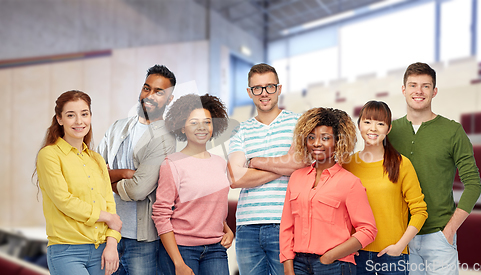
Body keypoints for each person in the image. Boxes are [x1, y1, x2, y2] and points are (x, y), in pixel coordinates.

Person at [388, 62, 481, 275]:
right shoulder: (390, 132)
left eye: (425, 86)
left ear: (434, 91)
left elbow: (474, 185)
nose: (418, 91)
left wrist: (449, 230)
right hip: (401, 239)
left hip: (439, 237)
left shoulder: (452, 131)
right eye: (412, 85)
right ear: (403, 90)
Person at [227, 63, 306, 275]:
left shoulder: (299, 122)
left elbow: (300, 163)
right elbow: (235, 177)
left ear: (279, 89)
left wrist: (255, 161)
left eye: (270, 87)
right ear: (249, 93)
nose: (264, 93)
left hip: (285, 223)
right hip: (246, 227)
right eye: (257, 88)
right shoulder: (239, 129)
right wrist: (284, 166)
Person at [97, 65, 177, 274]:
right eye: (146, 88)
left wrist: (105, 178)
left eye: (159, 92)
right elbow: (91, 172)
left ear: (169, 99)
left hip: (140, 240)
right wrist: (125, 174)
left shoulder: (165, 137)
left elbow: (138, 190)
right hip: (106, 232)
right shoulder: (117, 127)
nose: (149, 95)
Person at [280, 107, 377, 275]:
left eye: (325, 138)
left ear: (338, 141)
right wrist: (288, 267)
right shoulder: (296, 177)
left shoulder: (350, 182)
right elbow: (287, 227)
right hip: (298, 265)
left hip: (335, 265)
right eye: (311, 137)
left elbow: (368, 230)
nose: (317, 143)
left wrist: (330, 256)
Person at [35, 90, 122, 275]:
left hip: (102, 251)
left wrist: (112, 244)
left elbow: (110, 204)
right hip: (67, 251)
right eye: (70, 115)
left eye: (84, 114)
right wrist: (106, 217)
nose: (79, 121)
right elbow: (63, 200)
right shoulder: (49, 155)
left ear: (90, 116)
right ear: (59, 119)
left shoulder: (97, 159)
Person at [343, 101, 428, 275]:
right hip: (356, 253)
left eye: (380, 123)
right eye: (367, 122)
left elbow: (420, 211)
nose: (373, 128)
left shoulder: (402, 164)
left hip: (392, 255)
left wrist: (400, 246)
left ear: (388, 129)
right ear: (359, 125)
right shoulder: (347, 164)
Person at [152, 93, 233, 275]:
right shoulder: (172, 163)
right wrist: (178, 263)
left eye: (207, 122)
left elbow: (212, 205)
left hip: (216, 249)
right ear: (181, 127)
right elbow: (161, 215)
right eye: (194, 122)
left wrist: (227, 230)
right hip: (182, 249)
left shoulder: (220, 162)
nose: (202, 128)